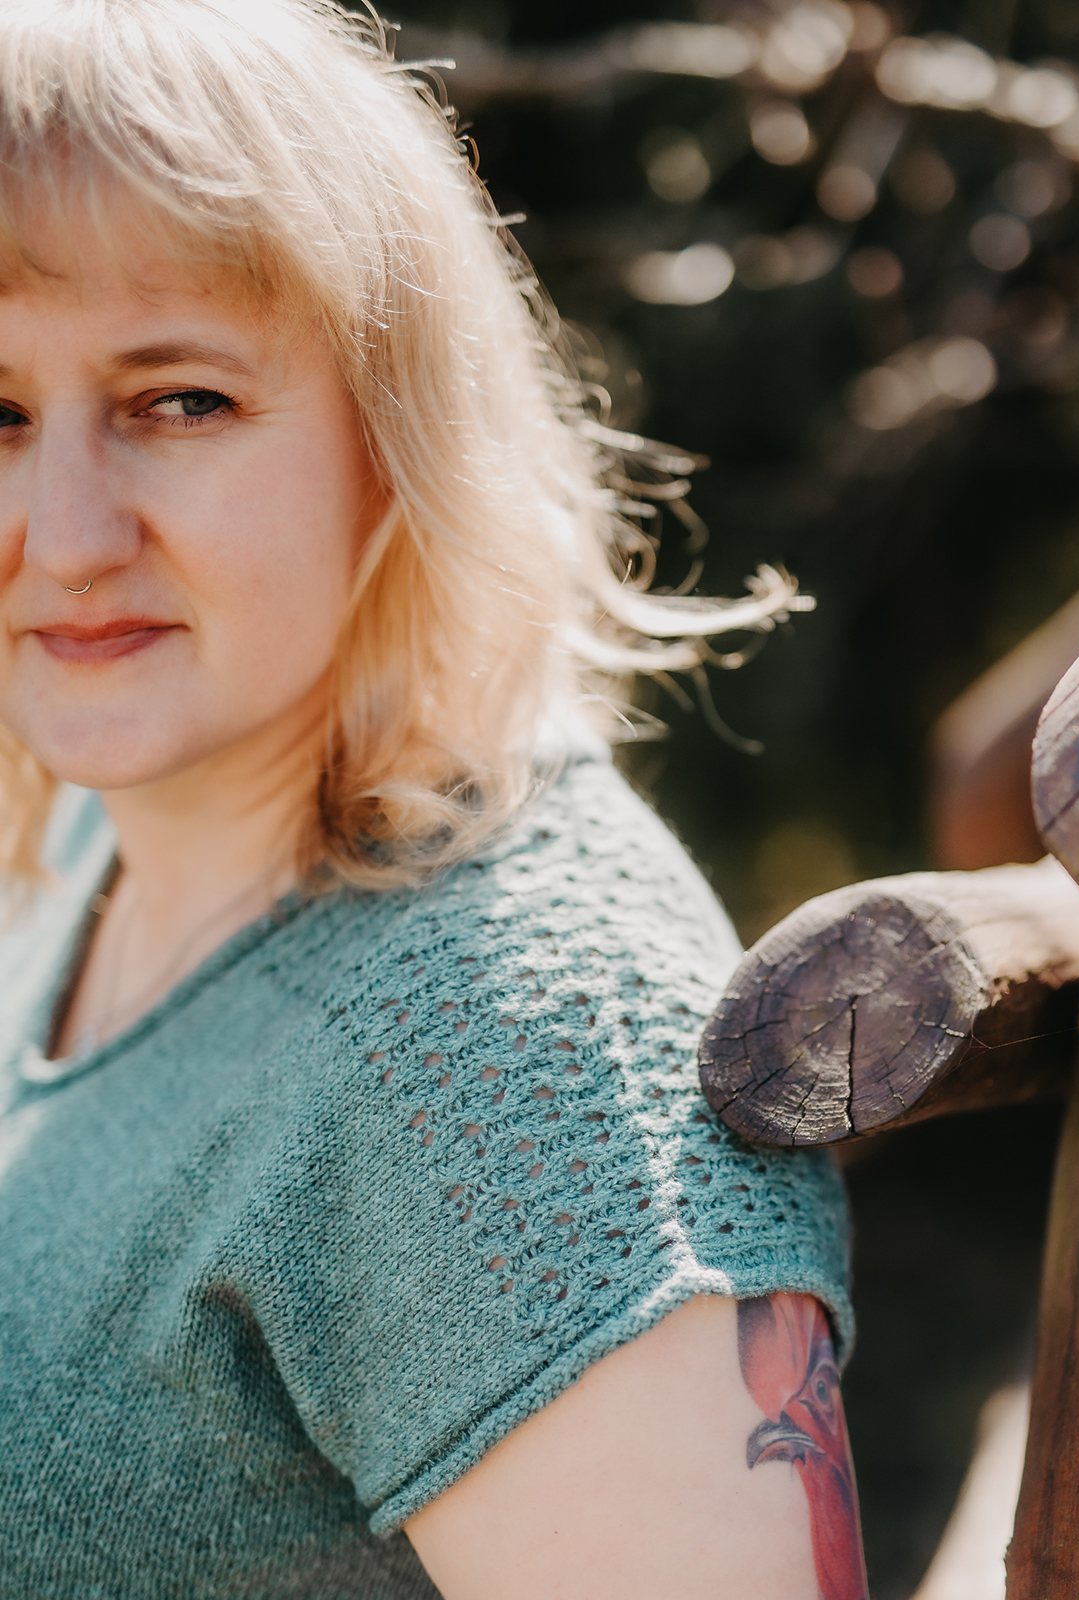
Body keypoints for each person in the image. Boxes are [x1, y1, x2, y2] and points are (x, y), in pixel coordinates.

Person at [0, 1, 868, 1595]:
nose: (63, 534)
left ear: (394, 434)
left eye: (180, 399)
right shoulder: (76, 843)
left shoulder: (501, 1043)